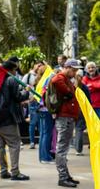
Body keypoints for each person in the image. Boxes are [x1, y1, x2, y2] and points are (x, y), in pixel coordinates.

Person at [0, 60, 30, 181]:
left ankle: (3, 170)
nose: (15, 72)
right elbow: (18, 97)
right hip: (7, 117)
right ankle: (15, 172)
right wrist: (27, 91)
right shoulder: (11, 79)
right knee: (14, 144)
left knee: (0, 145)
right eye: (14, 70)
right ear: (11, 70)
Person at [51, 59, 81, 187]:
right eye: (73, 70)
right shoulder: (60, 77)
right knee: (62, 149)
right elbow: (56, 81)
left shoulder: (67, 79)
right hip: (64, 117)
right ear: (67, 67)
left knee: (64, 148)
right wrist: (69, 93)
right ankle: (62, 177)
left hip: (68, 117)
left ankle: (66, 175)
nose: (75, 73)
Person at [22, 61, 44, 149]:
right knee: (33, 122)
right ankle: (32, 142)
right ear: (34, 65)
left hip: (42, 101)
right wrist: (26, 99)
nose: (39, 67)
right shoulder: (28, 76)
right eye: (38, 65)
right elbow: (23, 87)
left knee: (41, 123)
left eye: (41, 66)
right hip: (32, 102)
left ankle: (41, 141)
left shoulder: (43, 76)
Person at [73, 69, 90, 156]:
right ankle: (78, 149)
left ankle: (72, 145)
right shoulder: (84, 87)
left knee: (72, 129)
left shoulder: (71, 86)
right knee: (79, 129)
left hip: (71, 110)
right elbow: (88, 101)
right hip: (81, 110)